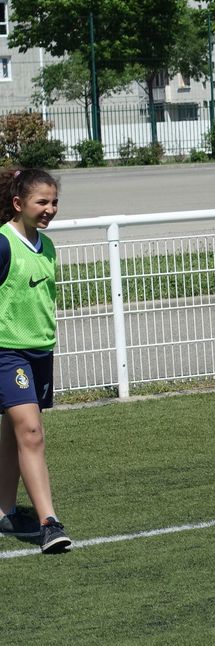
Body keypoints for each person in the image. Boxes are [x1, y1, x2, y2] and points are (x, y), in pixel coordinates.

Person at [0, 168, 72, 553]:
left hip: (40, 352)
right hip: (6, 353)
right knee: (31, 432)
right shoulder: (3, 244)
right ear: (18, 204)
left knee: (16, 432)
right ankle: (49, 522)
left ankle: (5, 512)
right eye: (41, 202)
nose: (49, 209)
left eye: (54, 202)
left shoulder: (47, 246)